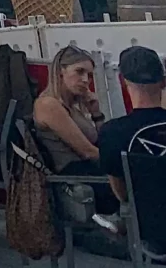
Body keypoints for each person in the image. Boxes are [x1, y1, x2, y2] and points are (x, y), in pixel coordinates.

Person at [32, 45, 118, 214]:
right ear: (61, 71)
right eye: (79, 72)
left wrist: (96, 114)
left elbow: (100, 141)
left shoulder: (72, 105)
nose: (85, 80)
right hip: (76, 176)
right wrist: (122, 164)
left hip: (90, 169)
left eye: (89, 75)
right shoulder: (49, 104)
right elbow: (87, 151)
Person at [98, 45, 166, 210]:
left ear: (122, 81)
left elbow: (123, 195)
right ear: (164, 82)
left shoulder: (112, 132)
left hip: (148, 222)